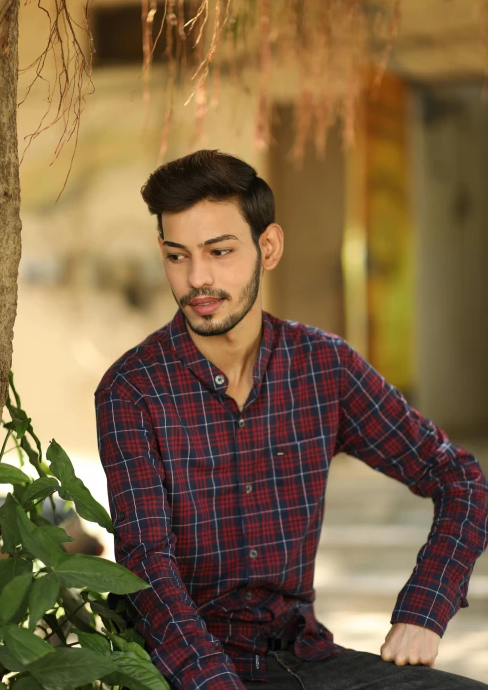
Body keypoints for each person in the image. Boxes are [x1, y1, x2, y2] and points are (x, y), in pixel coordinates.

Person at [95, 150, 488, 690]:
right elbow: (148, 569)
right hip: (184, 667)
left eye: (220, 251)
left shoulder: (322, 366)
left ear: (269, 247)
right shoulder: (133, 390)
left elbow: (460, 477)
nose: (197, 278)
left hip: (300, 656)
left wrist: (425, 607)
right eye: (177, 255)